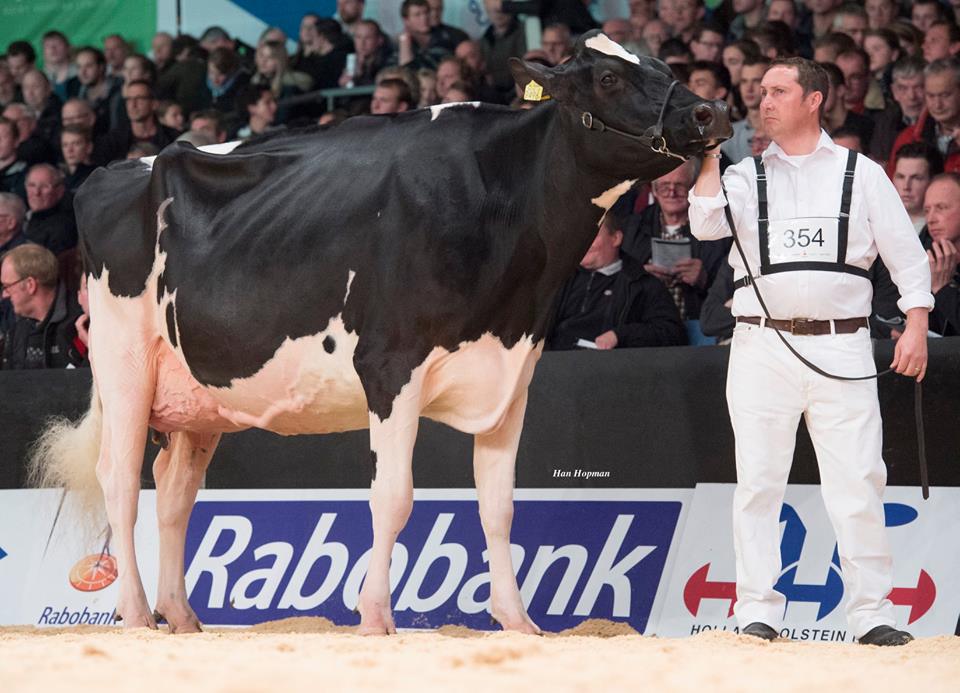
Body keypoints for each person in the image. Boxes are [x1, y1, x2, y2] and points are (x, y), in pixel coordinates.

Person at [689, 57, 932, 647]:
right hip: (759, 344)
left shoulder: (861, 173)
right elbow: (703, 225)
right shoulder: (744, 174)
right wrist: (709, 155)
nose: (764, 100)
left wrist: (916, 323)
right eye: (761, 92)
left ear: (814, 99)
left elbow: (906, 255)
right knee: (758, 482)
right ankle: (756, 611)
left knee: (858, 481)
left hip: (843, 344)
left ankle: (872, 613)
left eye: (778, 91)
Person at [546, 206, 687, 350]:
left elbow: (671, 333)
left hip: (613, 361)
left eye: (591, 234)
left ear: (616, 238)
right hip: (556, 360)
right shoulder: (559, 282)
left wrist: (620, 336)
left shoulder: (643, 284)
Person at [624, 160, 733, 324]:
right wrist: (641, 277)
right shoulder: (633, 228)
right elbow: (615, 283)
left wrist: (705, 279)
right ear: (654, 190)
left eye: (680, 186)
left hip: (698, 324)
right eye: (664, 186)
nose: (671, 193)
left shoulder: (717, 229)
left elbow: (733, 286)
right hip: (646, 325)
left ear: (694, 187)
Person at [0, 242, 85, 369]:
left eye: (7, 286)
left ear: (30, 285)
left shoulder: (80, 326)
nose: (4, 295)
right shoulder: (16, 330)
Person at [922, 172, 960, 335]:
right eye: (927, 210)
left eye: (941, 208)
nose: (931, 219)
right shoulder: (925, 255)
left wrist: (942, 289)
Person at [23, 164, 77, 256]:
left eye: (45, 186)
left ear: (60, 191)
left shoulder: (62, 228)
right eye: (32, 185)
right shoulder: (23, 216)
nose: (36, 192)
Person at [893, 142, 944, 232]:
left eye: (916, 178)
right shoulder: (876, 221)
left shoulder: (945, 229)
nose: (906, 186)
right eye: (900, 177)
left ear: (934, 181)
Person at [60, 125, 97, 193]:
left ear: (89, 147)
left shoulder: (97, 177)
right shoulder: (60, 179)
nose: (69, 150)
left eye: (76, 144)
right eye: (65, 145)